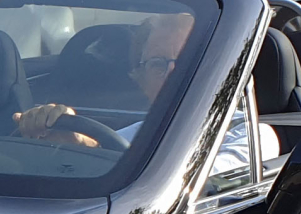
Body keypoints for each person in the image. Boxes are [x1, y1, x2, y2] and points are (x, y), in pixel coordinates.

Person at [13, 10, 195, 149]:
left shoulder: (222, 141)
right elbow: (102, 150)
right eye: (157, 64)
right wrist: (69, 136)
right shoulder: (133, 137)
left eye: (185, 60)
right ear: (142, 81)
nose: (172, 73)